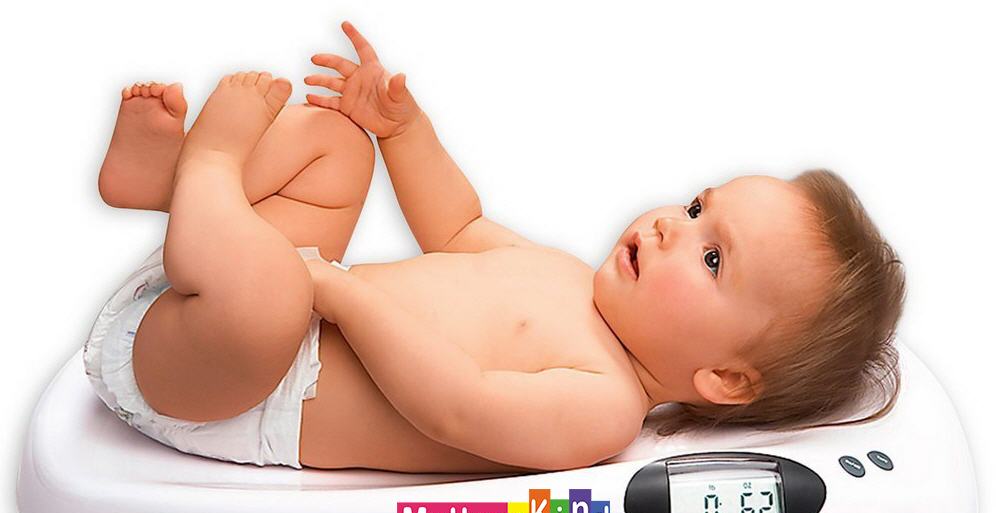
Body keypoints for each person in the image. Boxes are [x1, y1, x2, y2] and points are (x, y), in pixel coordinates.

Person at [85, 22, 905, 473]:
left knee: (271, 299)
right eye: (696, 208)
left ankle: (211, 164)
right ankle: (168, 182)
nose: (670, 226)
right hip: (224, 311)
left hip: (220, 390)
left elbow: (457, 404)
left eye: (712, 257)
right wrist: (401, 131)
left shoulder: (604, 409)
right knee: (337, 145)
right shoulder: (569, 281)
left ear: (725, 378)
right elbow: (455, 227)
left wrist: (341, 294)